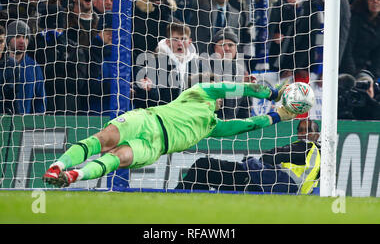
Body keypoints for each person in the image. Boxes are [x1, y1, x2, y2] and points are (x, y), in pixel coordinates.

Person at [42, 79, 296, 187]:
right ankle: (57, 165)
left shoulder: (212, 126)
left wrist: (276, 116)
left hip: (155, 147)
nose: (223, 99)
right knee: (103, 140)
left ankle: (74, 175)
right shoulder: (199, 91)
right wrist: (271, 94)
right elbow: (240, 87)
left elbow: (245, 125)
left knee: (118, 158)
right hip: (146, 120)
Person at [175, 119, 321, 195]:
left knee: (203, 165)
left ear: (317, 135)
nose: (303, 134)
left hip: (255, 181)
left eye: (308, 130)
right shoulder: (321, 159)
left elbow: (271, 156)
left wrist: (254, 162)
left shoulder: (307, 146)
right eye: (300, 131)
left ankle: (177, 197)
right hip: (278, 191)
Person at [6, 20, 45, 114]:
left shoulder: (34, 67)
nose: (22, 41)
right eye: (17, 36)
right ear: (8, 39)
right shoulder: (2, 64)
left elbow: (40, 101)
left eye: (26, 37)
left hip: (24, 125)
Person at [340, 0, 380, 78]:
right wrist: (352, 73)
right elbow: (348, 49)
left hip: (366, 69)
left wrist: (375, 77)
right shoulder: (355, 19)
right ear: (365, 1)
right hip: (349, 69)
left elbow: (377, 56)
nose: (375, 2)